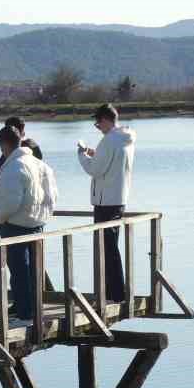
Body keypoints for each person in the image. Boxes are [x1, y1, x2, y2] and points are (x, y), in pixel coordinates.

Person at [0, 126, 54, 325]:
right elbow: (53, 195)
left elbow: (10, 201)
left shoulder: (14, 166)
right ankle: (34, 311)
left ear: (4, 145)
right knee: (33, 270)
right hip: (37, 223)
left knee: (19, 271)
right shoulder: (40, 164)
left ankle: (25, 314)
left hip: (15, 224)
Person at [77, 103, 135, 302]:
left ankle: (114, 294)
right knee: (111, 248)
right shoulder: (125, 139)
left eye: (98, 122)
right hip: (119, 199)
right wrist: (96, 154)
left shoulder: (109, 141)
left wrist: (82, 155)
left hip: (104, 203)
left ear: (106, 120)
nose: (98, 126)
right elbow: (110, 163)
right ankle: (116, 292)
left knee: (106, 248)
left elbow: (95, 170)